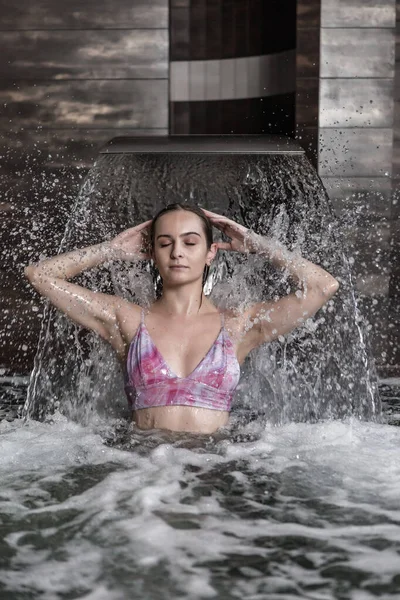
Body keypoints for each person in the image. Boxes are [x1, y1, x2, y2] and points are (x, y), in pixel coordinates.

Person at [25, 204, 339, 434]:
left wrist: (259, 245)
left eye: (190, 243)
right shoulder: (127, 319)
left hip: (217, 469)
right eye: (165, 243)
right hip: (143, 471)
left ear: (210, 252)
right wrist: (111, 250)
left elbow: (323, 286)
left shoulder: (238, 324)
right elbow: (39, 275)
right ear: (152, 251)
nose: (177, 252)